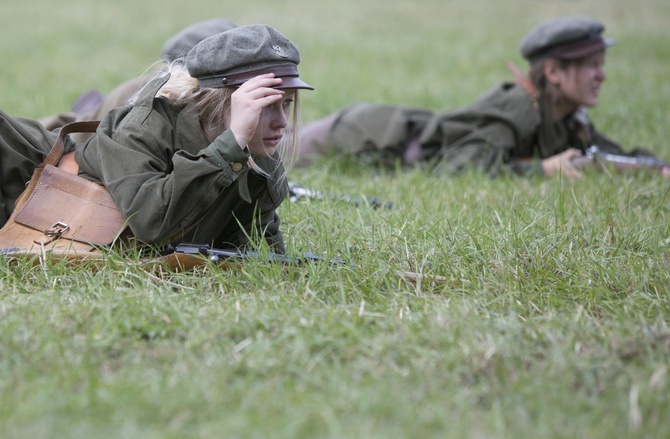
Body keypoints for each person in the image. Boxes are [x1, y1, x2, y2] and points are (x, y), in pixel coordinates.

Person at [0, 24, 313, 253]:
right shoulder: (149, 125)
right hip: (31, 181)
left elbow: (257, 247)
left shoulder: (255, 157)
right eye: (265, 105)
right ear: (223, 101)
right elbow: (151, 223)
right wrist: (229, 145)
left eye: (285, 103)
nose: (282, 122)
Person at [299, 16, 666, 178]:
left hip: (388, 130)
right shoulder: (520, 110)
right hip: (368, 134)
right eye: (590, 65)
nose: (601, 74)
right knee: (267, 154)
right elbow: (457, 167)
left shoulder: (567, 116)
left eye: (601, 63)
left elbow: (605, 152)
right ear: (553, 72)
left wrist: (654, 167)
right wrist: (541, 169)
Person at [39, 18, 238, 134]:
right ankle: (91, 103)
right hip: (107, 116)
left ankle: (93, 102)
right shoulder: (155, 99)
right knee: (77, 126)